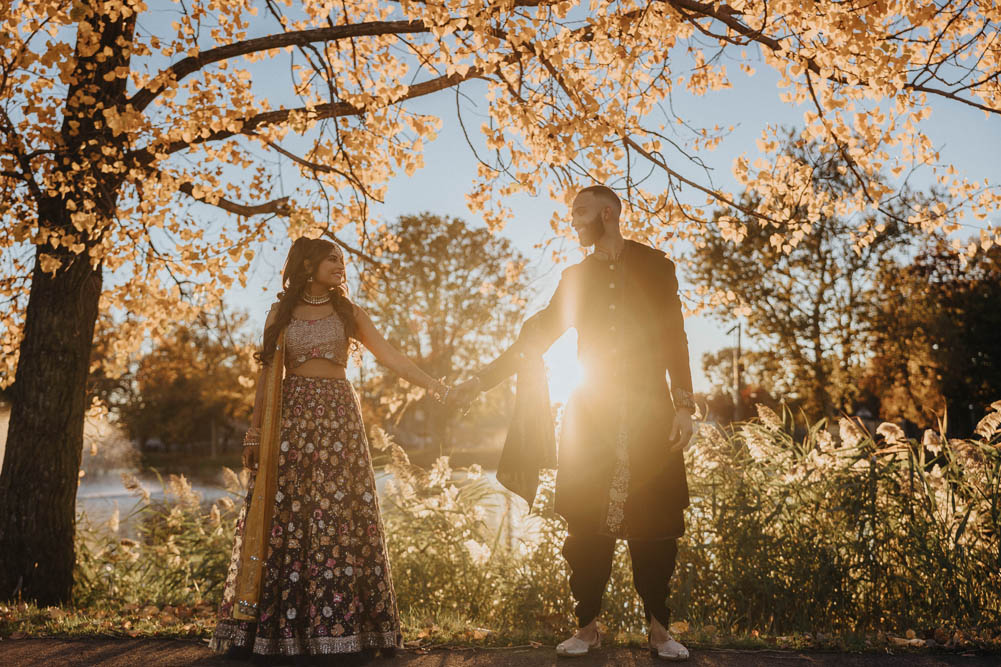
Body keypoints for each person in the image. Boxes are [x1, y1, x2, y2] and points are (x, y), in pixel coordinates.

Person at [450, 185, 695, 661]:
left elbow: (674, 336)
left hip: (650, 414)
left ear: (608, 213)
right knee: (584, 527)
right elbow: (538, 334)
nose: (573, 221)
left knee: (656, 525)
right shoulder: (575, 277)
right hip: (589, 413)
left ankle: (660, 631)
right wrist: (479, 381)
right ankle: (587, 629)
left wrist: (684, 405)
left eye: (579, 212)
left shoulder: (656, 266)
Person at [211, 237, 450, 664]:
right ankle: (276, 633)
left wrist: (431, 383)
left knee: (341, 516)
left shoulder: (348, 312)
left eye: (341, 259)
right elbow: (266, 377)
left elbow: (390, 356)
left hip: (339, 420)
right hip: (294, 422)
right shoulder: (281, 313)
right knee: (292, 516)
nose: (340, 265)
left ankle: (348, 630)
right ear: (308, 265)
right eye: (331, 259)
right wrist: (253, 434)